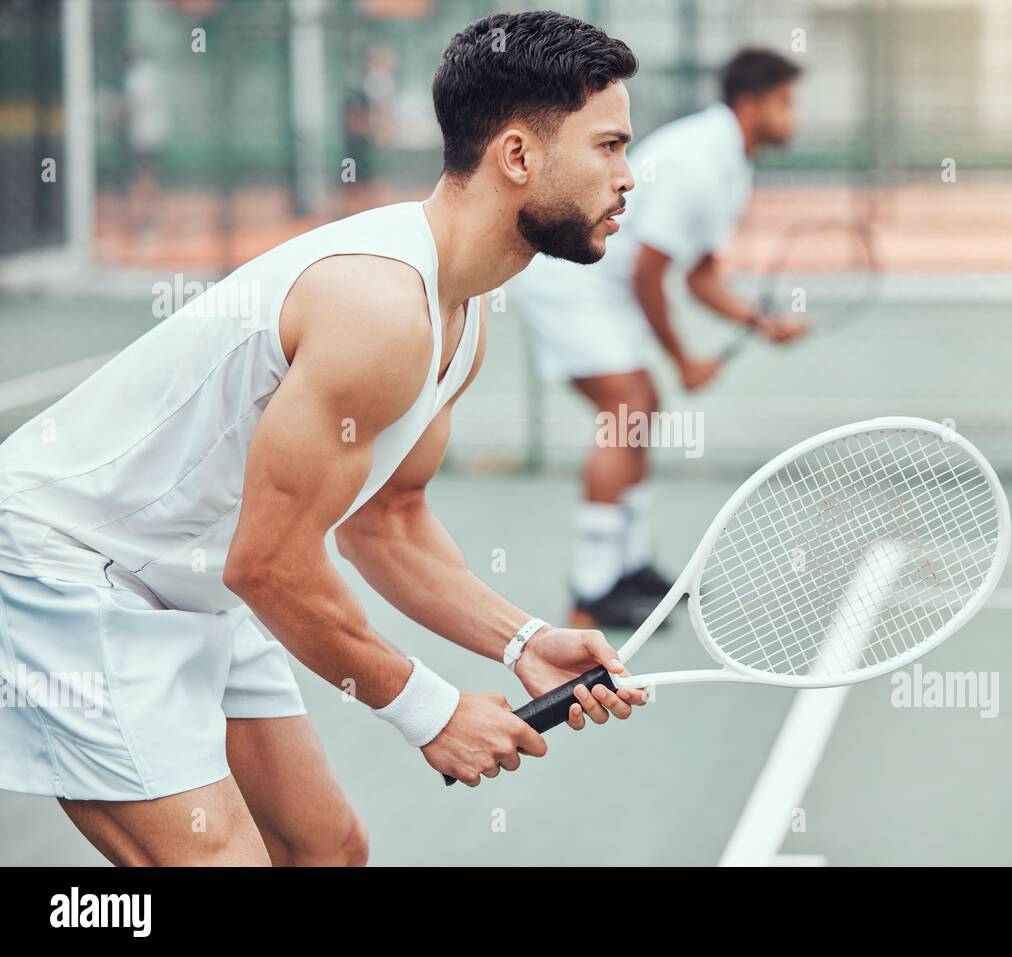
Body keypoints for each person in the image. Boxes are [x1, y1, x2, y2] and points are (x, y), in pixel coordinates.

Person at [0, 11, 643, 866]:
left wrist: (522, 641)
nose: (628, 177)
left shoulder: (460, 315)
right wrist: (433, 709)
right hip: (67, 560)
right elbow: (268, 564)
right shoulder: (378, 309)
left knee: (326, 849)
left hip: (187, 573)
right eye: (609, 147)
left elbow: (388, 522)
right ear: (518, 156)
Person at [509, 48, 809, 630]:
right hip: (574, 282)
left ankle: (630, 565)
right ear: (751, 105)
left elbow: (698, 275)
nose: (793, 116)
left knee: (641, 408)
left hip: (608, 287)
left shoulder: (733, 161)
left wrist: (757, 322)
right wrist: (683, 359)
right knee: (626, 408)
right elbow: (650, 273)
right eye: (784, 102)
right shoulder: (699, 162)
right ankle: (593, 592)